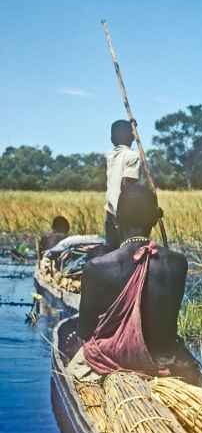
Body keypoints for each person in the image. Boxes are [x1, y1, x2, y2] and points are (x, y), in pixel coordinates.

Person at [68, 182, 187, 380]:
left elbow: (85, 330)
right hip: (162, 362)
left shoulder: (96, 267)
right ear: (156, 219)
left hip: (110, 364)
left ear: (116, 220)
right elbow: (169, 324)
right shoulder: (178, 263)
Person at [105, 119, 141, 249]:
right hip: (125, 213)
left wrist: (132, 131)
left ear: (112, 139)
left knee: (112, 250)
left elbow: (122, 149)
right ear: (131, 137)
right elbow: (128, 187)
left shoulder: (110, 156)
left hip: (110, 213)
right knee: (127, 252)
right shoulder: (133, 156)